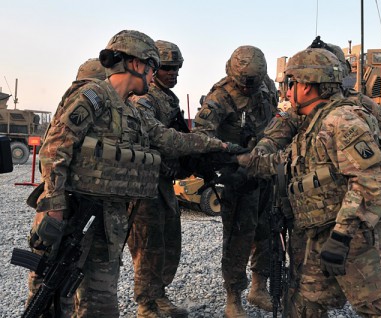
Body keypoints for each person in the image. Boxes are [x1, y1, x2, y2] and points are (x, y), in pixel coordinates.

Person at [26, 30, 239, 317]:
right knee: (49, 297)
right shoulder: (93, 97)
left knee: (101, 304)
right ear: (137, 64)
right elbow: (54, 148)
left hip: (106, 218)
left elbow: (170, 139)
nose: (154, 77)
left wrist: (220, 145)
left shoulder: (131, 111)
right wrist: (54, 205)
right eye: (153, 68)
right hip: (70, 211)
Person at [237, 48, 381, 317]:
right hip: (322, 231)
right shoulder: (314, 123)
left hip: (358, 236)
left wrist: (342, 237)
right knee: (304, 304)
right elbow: (289, 162)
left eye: (291, 84)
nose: (287, 93)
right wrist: (241, 160)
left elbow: (372, 184)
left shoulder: (342, 121)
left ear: (308, 86)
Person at [193, 45, 278, 317]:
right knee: (238, 238)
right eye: (243, 84)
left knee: (268, 230)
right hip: (237, 175)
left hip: (264, 171)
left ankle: (259, 287)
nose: (247, 89)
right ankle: (233, 297)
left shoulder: (266, 86)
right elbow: (202, 140)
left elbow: (273, 120)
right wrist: (232, 159)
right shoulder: (218, 99)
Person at [127, 40, 189, 317]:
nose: (173, 74)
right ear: (154, 68)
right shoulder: (145, 98)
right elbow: (154, 138)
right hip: (144, 184)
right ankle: (146, 304)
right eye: (167, 68)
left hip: (162, 184)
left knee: (168, 242)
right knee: (147, 246)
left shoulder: (167, 98)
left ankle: (158, 295)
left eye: (176, 68)